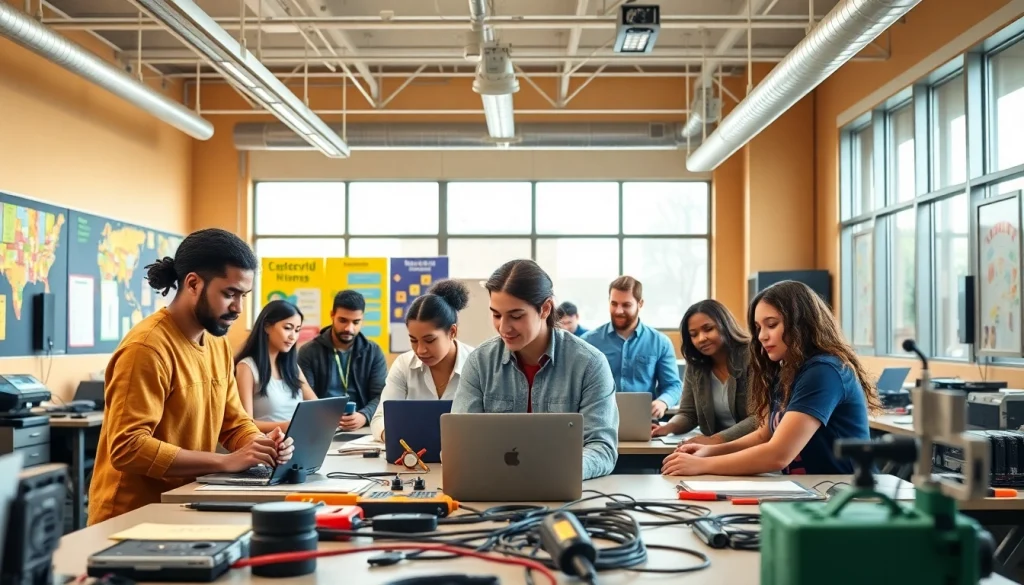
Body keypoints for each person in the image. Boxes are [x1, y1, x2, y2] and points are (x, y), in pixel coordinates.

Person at [88, 229, 294, 525]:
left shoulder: (216, 343)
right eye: (229, 294)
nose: (238, 308)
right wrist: (225, 461)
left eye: (243, 296)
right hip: (130, 517)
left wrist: (260, 446)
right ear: (193, 283)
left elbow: (234, 422)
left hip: (184, 502)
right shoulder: (146, 348)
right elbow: (127, 448)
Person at [661, 281, 880, 476]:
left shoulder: (823, 371)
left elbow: (778, 454)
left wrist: (702, 465)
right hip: (810, 491)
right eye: (758, 328)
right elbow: (764, 434)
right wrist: (709, 451)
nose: (762, 336)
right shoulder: (786, 369)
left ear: (801, 323)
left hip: (847, 494)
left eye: (772, 325)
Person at [451, 259, 619, 480]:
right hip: (494, 488)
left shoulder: (590, 364)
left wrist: (561, 471)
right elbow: (461, 443)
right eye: (496, 314)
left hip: (562, 489)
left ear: (545, 309)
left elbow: (601, 447)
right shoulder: (479, 363)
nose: (504, 327)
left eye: (516, 316)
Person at [371, 280, 475, 442]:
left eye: (429, 340)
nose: (420, 350)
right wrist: (393, 437)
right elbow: (380, 418)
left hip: (465, 457)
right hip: (411, 458)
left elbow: (488, 422)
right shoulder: (404, 365)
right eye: (413, 340)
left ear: (452, 331)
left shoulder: (477, 364)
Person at [652, 300, 757, 445]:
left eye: (708, 329)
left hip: (751, 445)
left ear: (725, 325)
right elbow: (688, 414)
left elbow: (758, 418)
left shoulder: (752, 357)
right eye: (694, 335)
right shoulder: (696, 364)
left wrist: (714, 440)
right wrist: (666, 428)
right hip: (714, 447)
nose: (701, 339)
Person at [581, 276, 682, 419]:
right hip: (598, 420)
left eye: (626, 305)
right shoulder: (588, 342)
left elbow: (673, 385)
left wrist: (663, 401)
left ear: (640, 304)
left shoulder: (660, 342)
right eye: (614, 303)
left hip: (643, 420)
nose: (618, 311)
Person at [298, 290, 387, 431]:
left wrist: (364, 415)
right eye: (343, 320)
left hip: (361, 428)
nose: (349, 328)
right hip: (321, 426)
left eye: (356, 322)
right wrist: (324, 418)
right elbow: (304, 398)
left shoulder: (373, 352)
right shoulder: (309, 352)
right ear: (332, 315)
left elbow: (381, 395)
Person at [235, 300, 318, 433]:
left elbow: (317, 406)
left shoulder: (292, 368)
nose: (293, 336)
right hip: (265, 446)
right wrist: (287, 426)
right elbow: (245, 424)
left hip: (296, 442)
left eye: (297, 330)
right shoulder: (247, 367)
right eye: (287, 328)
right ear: (267, 326)